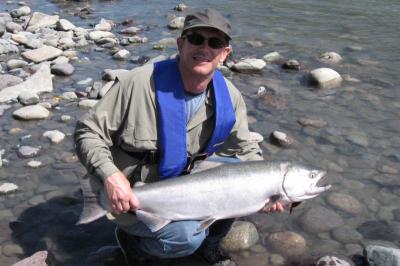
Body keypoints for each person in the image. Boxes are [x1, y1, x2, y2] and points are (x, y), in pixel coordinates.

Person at [75, 8, 284, 266]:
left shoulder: (230, 97)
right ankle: (136, 244)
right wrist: (110, 176)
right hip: (132, 196)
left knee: (238, 173)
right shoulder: (137, 84)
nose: (204, 48)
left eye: (215, 42)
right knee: (185, 237)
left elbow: (247, 151)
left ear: (225, 54)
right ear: (180, 43)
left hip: (185, 184)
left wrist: (264, 190)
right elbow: (88, 132)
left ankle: (209, 244)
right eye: (196, 39)